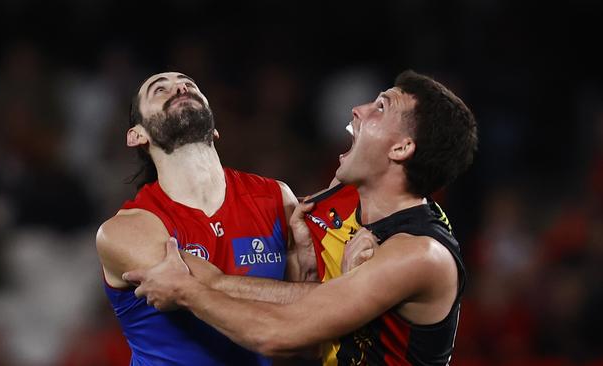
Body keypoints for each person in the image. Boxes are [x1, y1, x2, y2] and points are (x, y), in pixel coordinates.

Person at [123, 70, 478, 365]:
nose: (358, 109)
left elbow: (279, 335)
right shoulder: (337, 197)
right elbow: (313, 309)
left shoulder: (419, 254)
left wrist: (190, 291)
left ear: (401, 148)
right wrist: (308, 270)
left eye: (380, 107)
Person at [95, 71, 321, 365]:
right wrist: (340, 295)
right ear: (136, 135)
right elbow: (212, 288)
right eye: (160, 90)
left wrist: (313, 282)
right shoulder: (125, 230)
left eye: (188, 85)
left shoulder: (276, 197)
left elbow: (307, 331)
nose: (179, 89)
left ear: (214, 126)